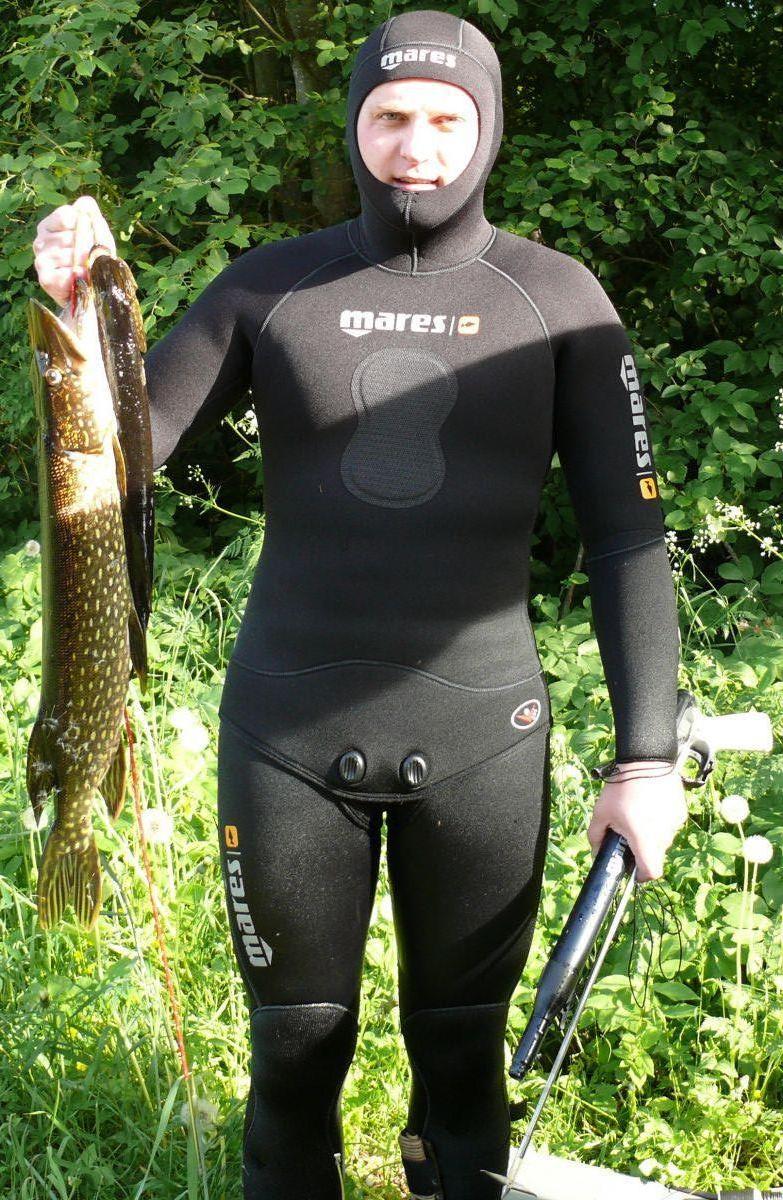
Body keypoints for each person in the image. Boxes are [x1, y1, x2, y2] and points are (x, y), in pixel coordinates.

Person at [32, 9, 688, 1198]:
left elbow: (628, 536)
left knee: (463, 1054)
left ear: (488, 128)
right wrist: (87, 316)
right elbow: (120, 462)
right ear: (353, 124)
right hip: (286, 734)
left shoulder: (558, 298)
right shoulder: (269, 287)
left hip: (485, 734)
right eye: (389, 116)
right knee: (293, 1055)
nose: (415, 147)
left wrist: (644, 758)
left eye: (445, 118)